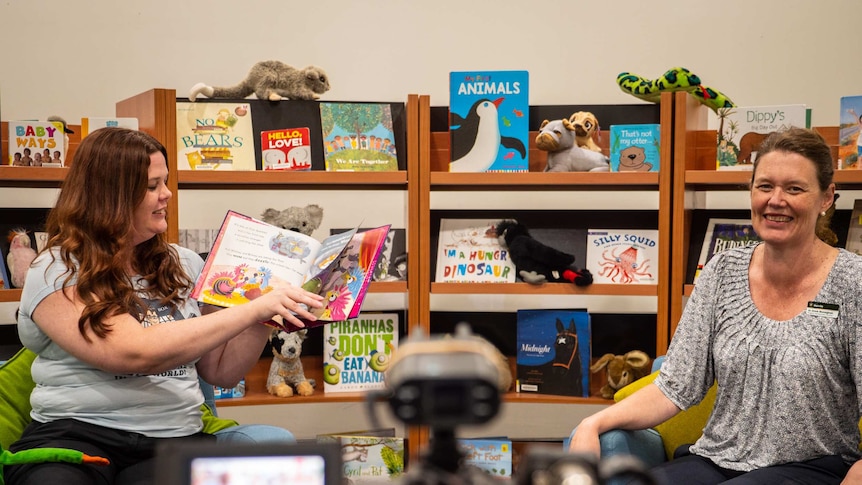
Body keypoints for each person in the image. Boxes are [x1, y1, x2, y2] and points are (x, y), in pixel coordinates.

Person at [6, 127, 325, 485]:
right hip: (76, 435)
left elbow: (220, 372)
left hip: (174, 437)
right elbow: (133, 351)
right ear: (110, 195)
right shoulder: (57, 267)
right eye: (152, 186)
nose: (167, 195)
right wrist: (250, 310)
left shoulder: (185, 263)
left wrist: (262, 317)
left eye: (166, 182)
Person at [569, 127, 862, 485]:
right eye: (765, 186)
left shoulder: (854, 282)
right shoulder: (721, 273)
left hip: (813, 468)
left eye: (795, 188)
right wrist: (593, 423)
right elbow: (675, 385)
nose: (776, 200)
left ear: (826, 198)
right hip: (716, 460)